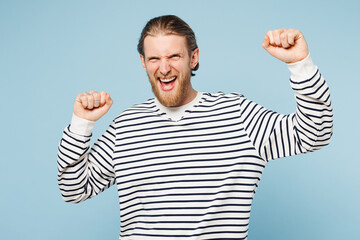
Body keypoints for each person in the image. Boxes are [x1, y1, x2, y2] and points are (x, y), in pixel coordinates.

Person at [57, 15, 333, 240]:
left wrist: (300, 64)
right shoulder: (125, 127)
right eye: (154, 59)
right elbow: (73, 189)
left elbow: (314, 133)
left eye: (174, 56)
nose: (164, 68)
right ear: (143, 62)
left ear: (194, 57)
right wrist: (82, 124)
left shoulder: (237, 115)